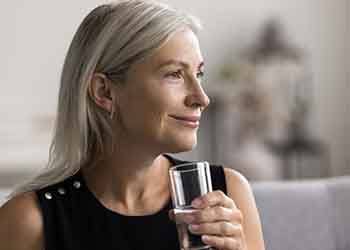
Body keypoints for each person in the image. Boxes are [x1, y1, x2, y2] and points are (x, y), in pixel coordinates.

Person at [0, 1, 265, 249]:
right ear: (104, 91)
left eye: (198, 74)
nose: (202, 98)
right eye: (174, 74)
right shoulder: (28, 221)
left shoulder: (228, 193)